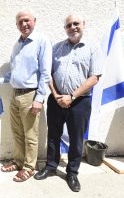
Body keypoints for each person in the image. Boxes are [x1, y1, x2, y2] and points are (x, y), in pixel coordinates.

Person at [33, 14, 102, 192]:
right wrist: (56, 95)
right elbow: (48, 73)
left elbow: (94, 77)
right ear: (65, 28)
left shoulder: (92, 48)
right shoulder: (56, 48)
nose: (73, 27)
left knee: (76, 139)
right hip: (56, 100)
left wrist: (71, 96)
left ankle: (72, 172)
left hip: (80, 102)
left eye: (76, 23)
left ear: (83, 24)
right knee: (53, 135)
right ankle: (50, 166)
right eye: (69, 25)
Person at [0, 9, 52, 182]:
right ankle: (18, 161)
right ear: (16, 25)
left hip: (30, 96)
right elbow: (14, 72)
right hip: (15, 95)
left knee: (31, 135)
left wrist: (39, 98)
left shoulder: (41, 41)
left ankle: (29, 167)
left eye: (27, 20)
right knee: (17, 132)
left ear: (34, 21)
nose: (24, 24)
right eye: (20, 22)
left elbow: (46, 73)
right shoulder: (16, 45)